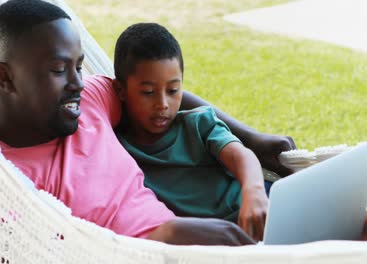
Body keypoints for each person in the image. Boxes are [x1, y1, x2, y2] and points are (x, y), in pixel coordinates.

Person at [0, 0, 294, 246]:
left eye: (79, 66)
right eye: (58, 70)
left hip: (198, 238)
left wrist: (252, 139)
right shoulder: (11, 182)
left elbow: (157, 89)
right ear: (5, 78)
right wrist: (164, 239)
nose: (78, 83)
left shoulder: (89, 100)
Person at [113, 23, 269, 241]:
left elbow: (240, 155)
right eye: (148, 92)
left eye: (173, 90)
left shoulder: (197, 124)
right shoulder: (116, 150)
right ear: (120, 90)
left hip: (257, 210)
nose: (163, 104)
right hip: (213, 242)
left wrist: (254, 192)